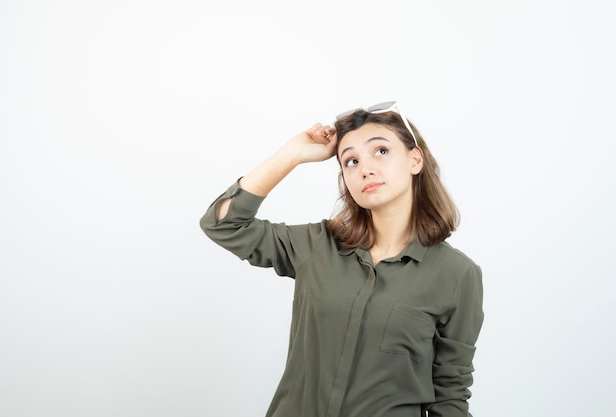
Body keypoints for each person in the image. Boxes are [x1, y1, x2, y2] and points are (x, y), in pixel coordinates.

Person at [200, 101, 484, 417]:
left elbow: (450, 398)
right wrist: (292, 154)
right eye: (350, 161)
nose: (366, 168)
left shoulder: (458, 275)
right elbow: (222, 223)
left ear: (415, 159)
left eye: (381, 151)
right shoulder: (317, 245)